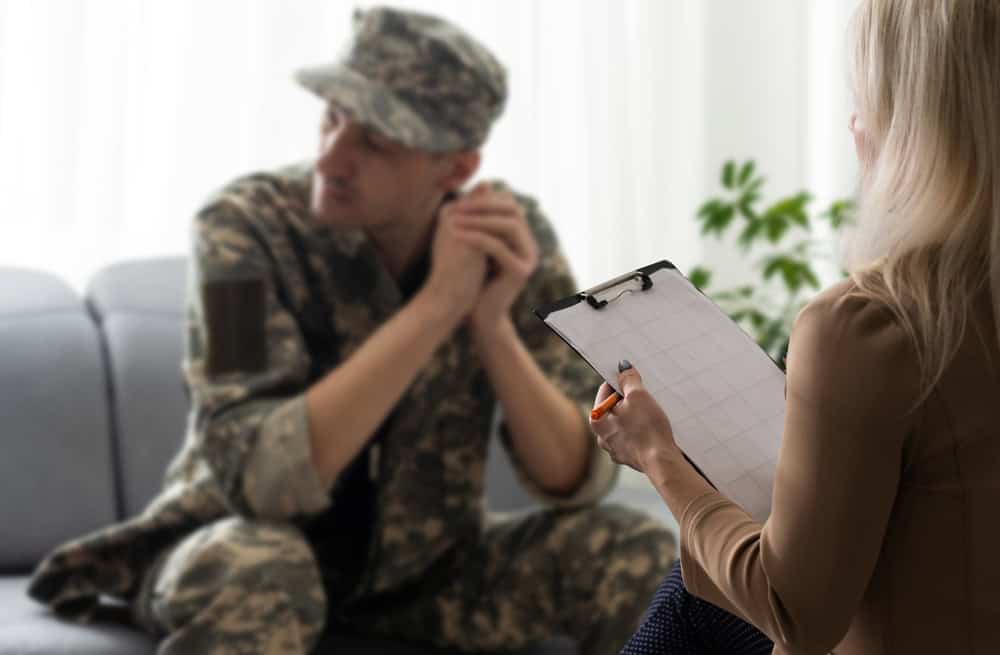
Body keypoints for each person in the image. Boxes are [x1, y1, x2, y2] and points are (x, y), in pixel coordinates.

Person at [26, 7, 677, 655]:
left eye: (375, 142)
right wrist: (437, 306)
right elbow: (257, 478)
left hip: (425, 577)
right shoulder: (241, 230)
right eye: (332, 117)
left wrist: (490, 327)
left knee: (635, 550)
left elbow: (573, 477)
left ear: (454, 169)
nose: (331, 157)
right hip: (236, 548)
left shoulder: (506, 238)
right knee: (265, 575)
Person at [593, 0, 1000, 653]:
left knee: (693, 598)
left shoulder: (871, 325)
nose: (854, 124)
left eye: (868, 99)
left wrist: (658, 455)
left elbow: (794, 612)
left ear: (915, 127)